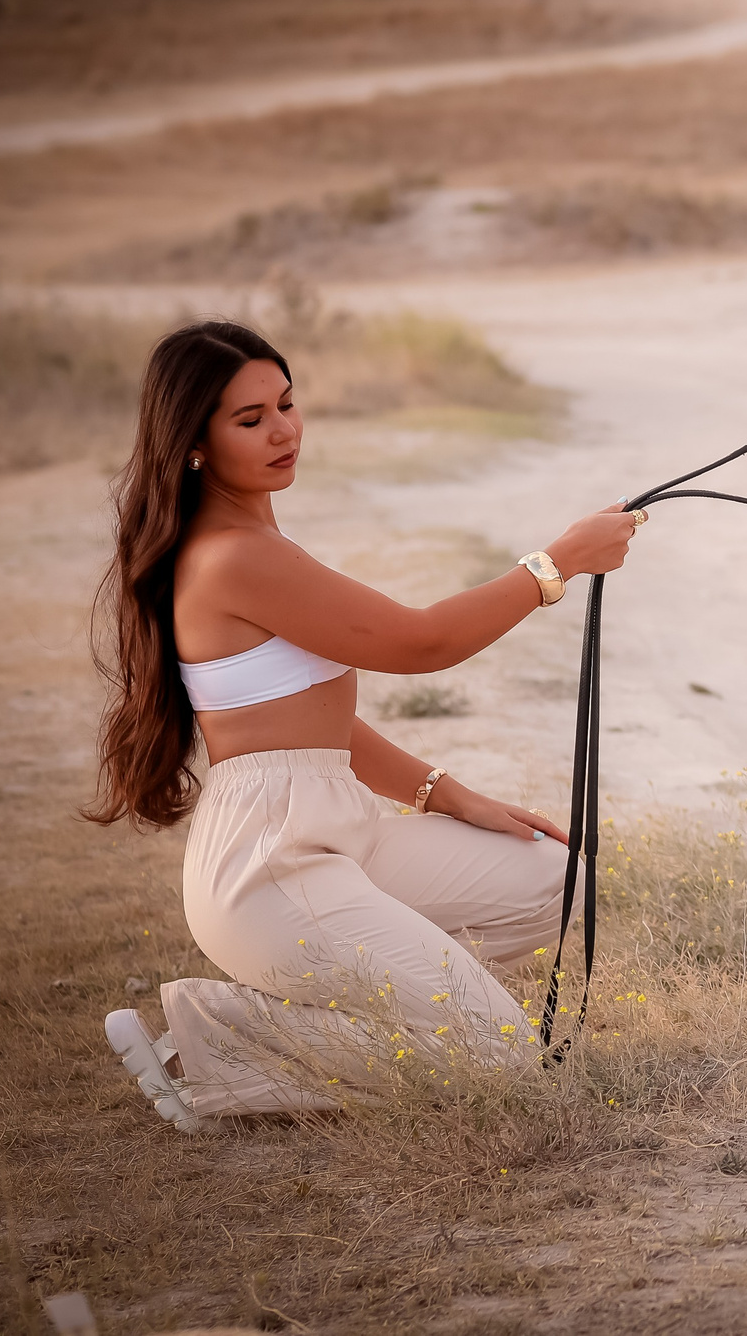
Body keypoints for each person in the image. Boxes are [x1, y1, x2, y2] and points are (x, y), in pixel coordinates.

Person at [90, 319, 637, 1130]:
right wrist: (554, 564)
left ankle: (382, 987)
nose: (284, 430)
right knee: (504, 1060)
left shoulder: (255, 536)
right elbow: (421, 641)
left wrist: (447, 795)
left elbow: (316, 726)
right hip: (267, 866)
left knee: (558, 882)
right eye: (250, 419)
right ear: (193, 444)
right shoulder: (233, 554)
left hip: (339, 829)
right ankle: (213, 1036)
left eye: (285, 402)